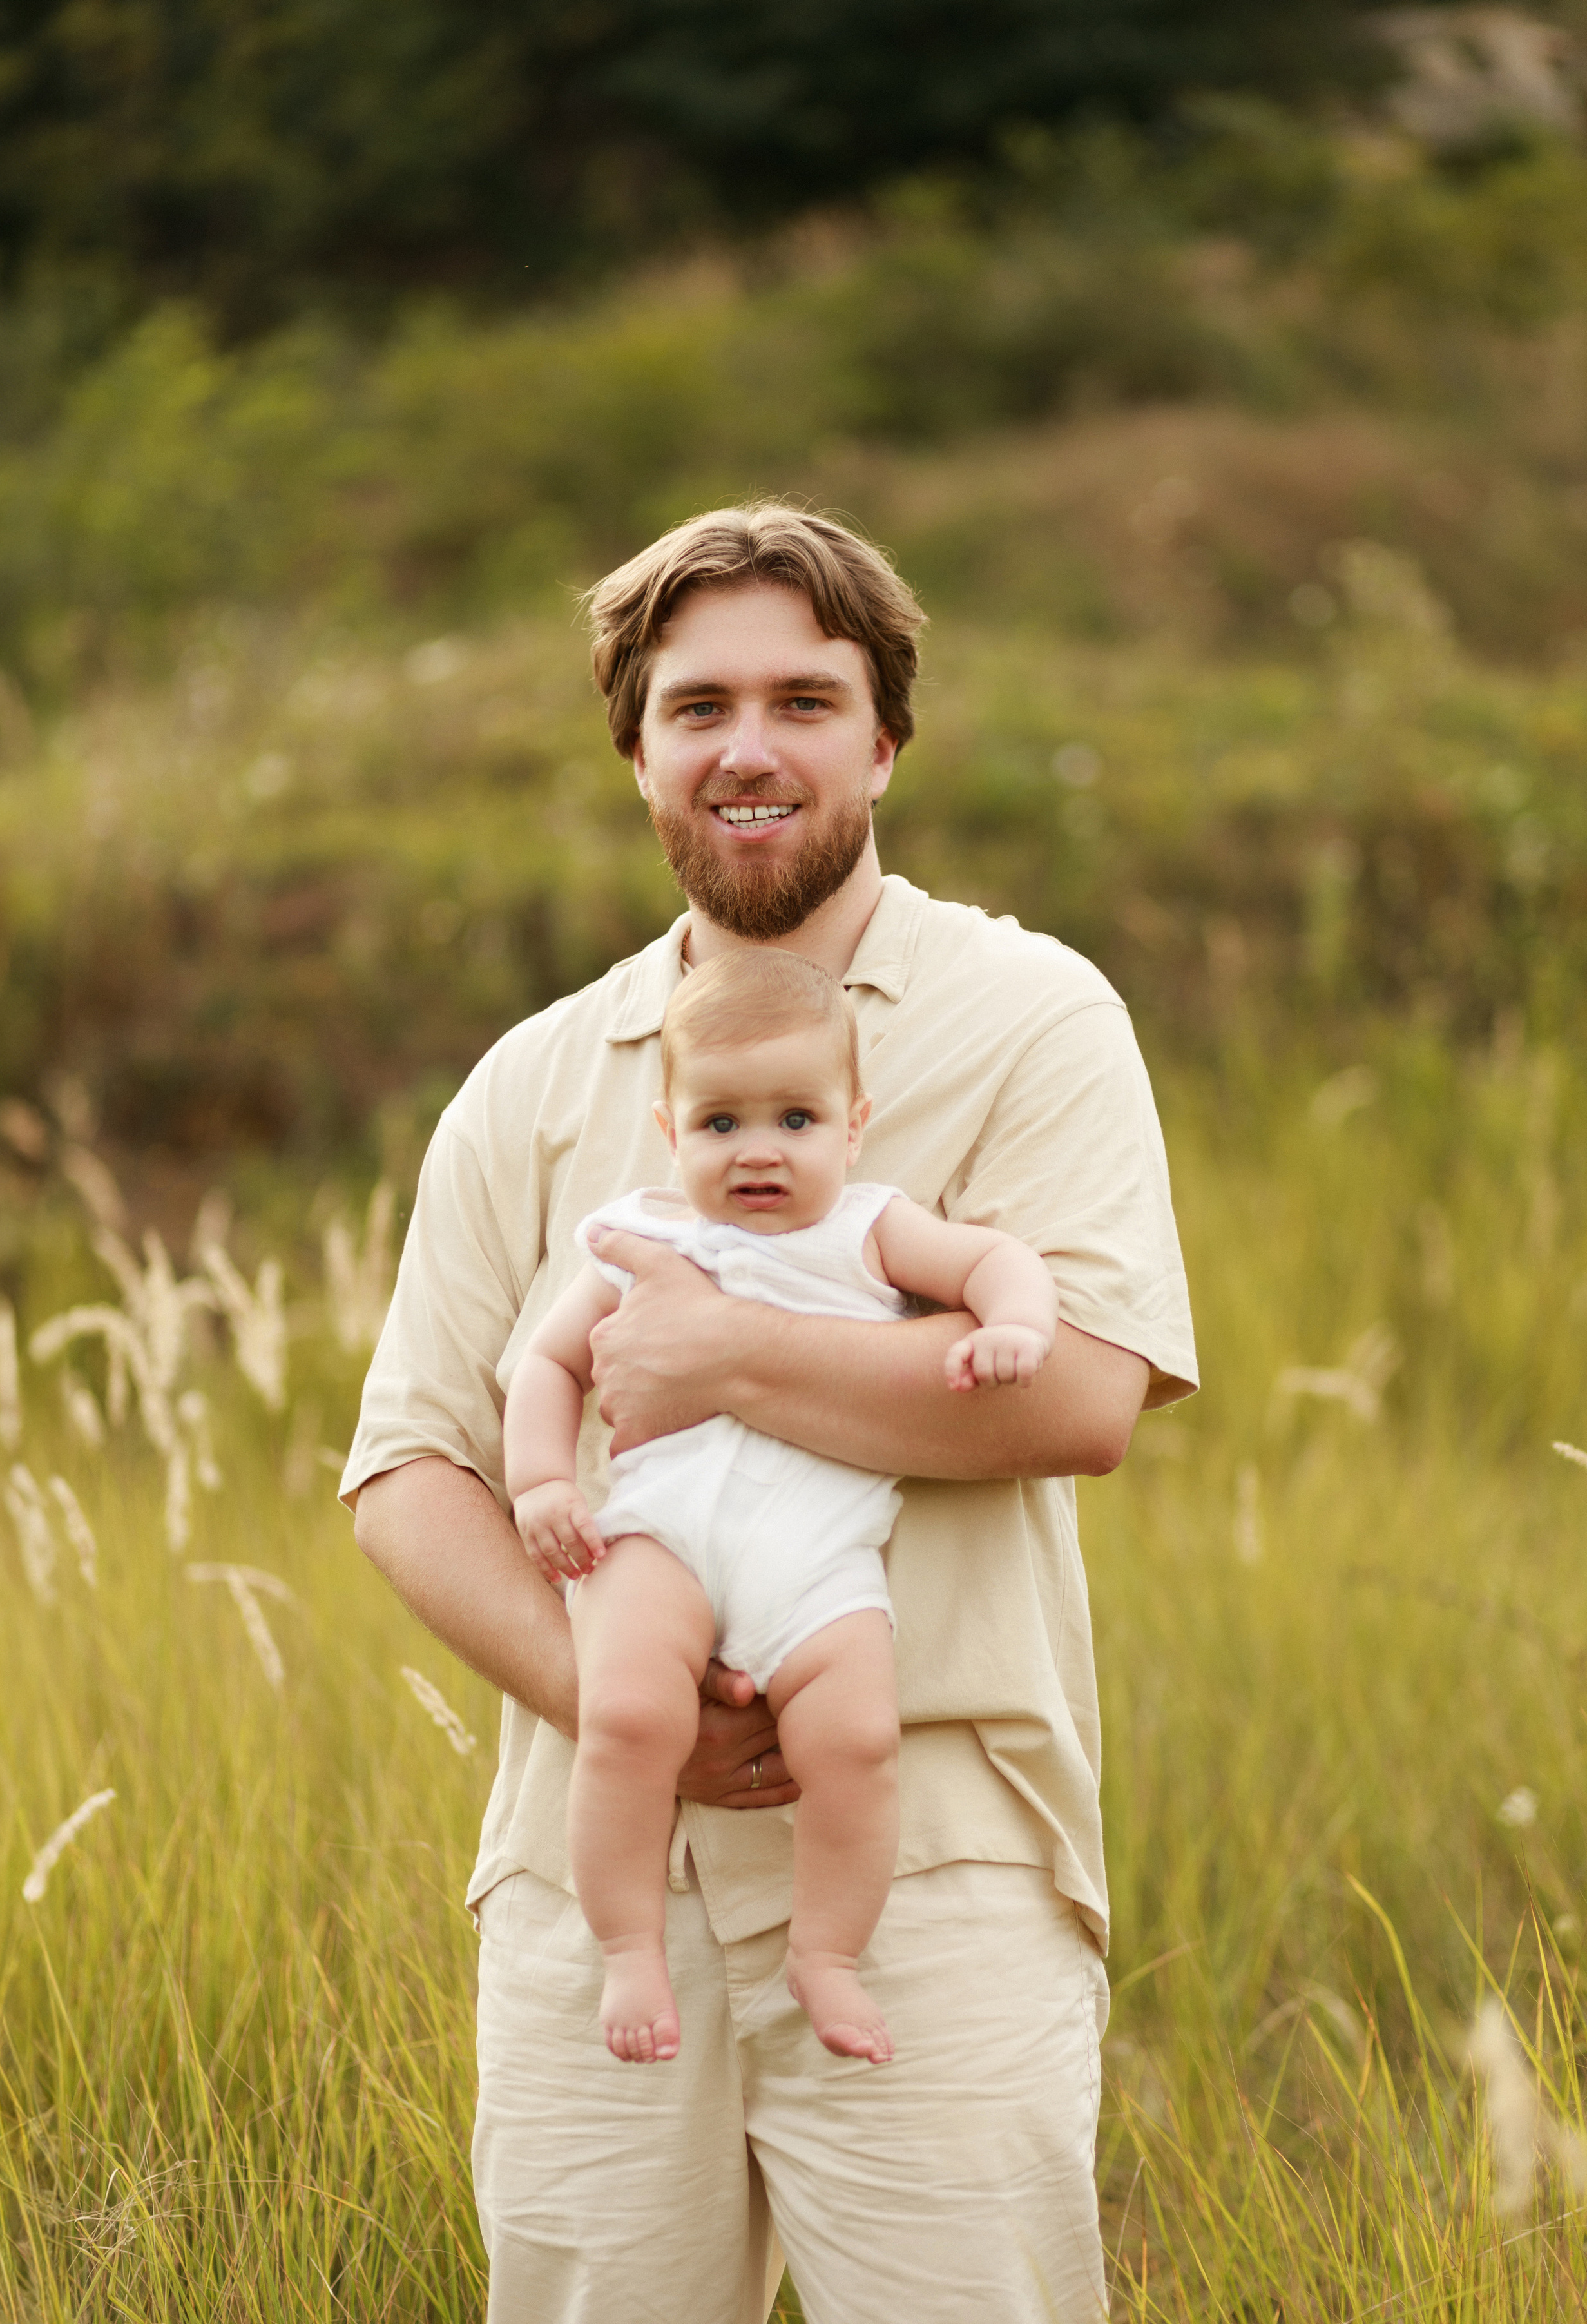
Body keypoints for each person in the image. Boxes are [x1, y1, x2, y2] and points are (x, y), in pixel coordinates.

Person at [344, 501, 1198, 2324]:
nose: (749, 747)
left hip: (928, 1860)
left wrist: (720, 1354)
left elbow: (1082, 1392)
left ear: (884, 740)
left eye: (804, 701)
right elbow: (409, 1465)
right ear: (637, 753)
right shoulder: (532, 1079)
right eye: (698, 706)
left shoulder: (1034, 1016)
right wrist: (622, 1706)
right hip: (596, 1878)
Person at [505, 946, 1060, 2068]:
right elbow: (547, 1365)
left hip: (819, 1557)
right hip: (660, 1537)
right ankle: (629, 1945)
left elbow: (996, 1260)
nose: (758, 1149)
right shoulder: (640, 1236)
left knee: (855, 1740)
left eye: (796, 1119)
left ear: (853, 1127)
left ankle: (828, 1952)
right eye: (721, 1123)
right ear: (670, 1131)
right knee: (627, 1716)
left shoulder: (869, 1229)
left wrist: (1015, 1326)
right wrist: (543, 1482)